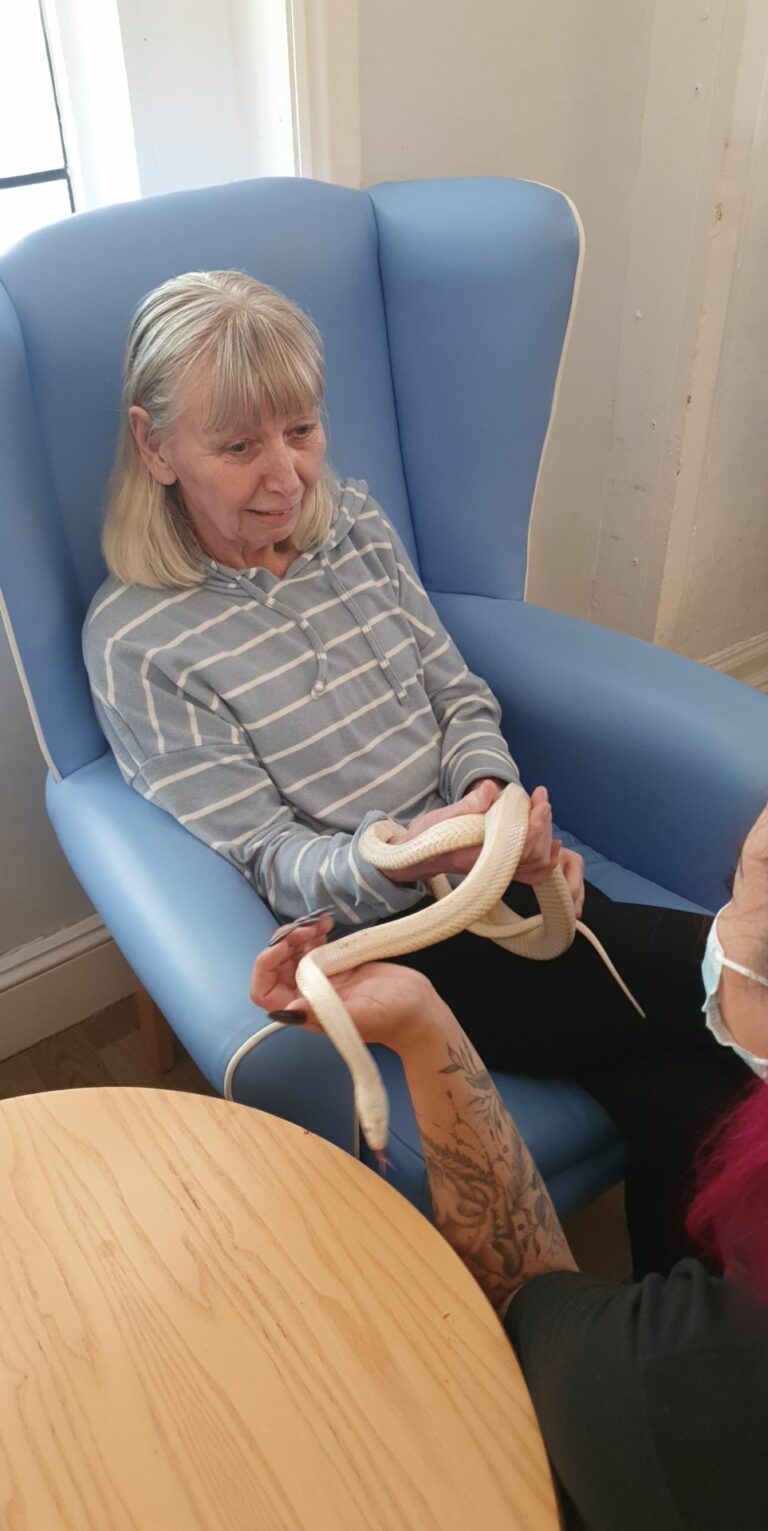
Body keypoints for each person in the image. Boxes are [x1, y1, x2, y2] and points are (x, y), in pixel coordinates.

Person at [83, 269, 748, 1277]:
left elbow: (458, 695)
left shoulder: (350, 522)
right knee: (735, 983)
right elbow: (268, 854)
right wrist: (405, 855)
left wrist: (489, 799)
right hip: (403, 938)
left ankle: (663, 1341)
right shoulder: (139, 641)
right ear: (155, 445)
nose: (287, 478)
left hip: (497, 878)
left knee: (684, 1094)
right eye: (239, 447)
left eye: (302, 429)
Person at [249, 803, 768, 1531]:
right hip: (426, 893)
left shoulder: (688, 1386)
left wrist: (420, 1027)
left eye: (733, 904)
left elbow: (526, 1297)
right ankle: (660, 1277)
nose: (711, 934)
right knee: (676, 1091)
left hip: (616, 1411)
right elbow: (265, 845)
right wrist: (448, 839)